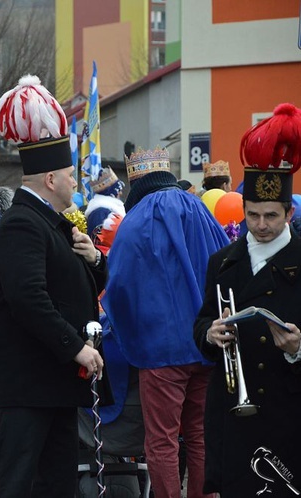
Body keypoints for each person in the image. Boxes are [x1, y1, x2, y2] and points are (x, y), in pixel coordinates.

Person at [0, 75, 106, 497]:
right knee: (19, 484)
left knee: (57, 484)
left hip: (52, 382)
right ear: (52, 179)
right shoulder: (22, 223)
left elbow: (73, 287)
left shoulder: (47, 223)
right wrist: (75, 347)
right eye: (71, 176)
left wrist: (94, 260)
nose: (76, 183)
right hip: (30, 382)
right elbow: (28, 299)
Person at [103, 146, 229, 498]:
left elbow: (120, 286)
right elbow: (226, 261)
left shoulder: (136, 220)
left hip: (159, 352)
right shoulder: (199, 209)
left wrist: (130, 336)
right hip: (205, 342)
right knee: (201, 437)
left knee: (161, 442)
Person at [194, 103, 301, 497]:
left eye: (271, 216)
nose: (260, 225)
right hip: (234, 419)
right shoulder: (222, 262)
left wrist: (298, 349)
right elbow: (201, 322)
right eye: (253, 214)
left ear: (288, 213)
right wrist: (210, 334)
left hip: (287, 419)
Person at [84, 166, 126, 240]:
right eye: (118, 190)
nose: (121, 193)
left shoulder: (105, 210)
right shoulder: (100, 213)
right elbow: (98, 242)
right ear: (112, 192)